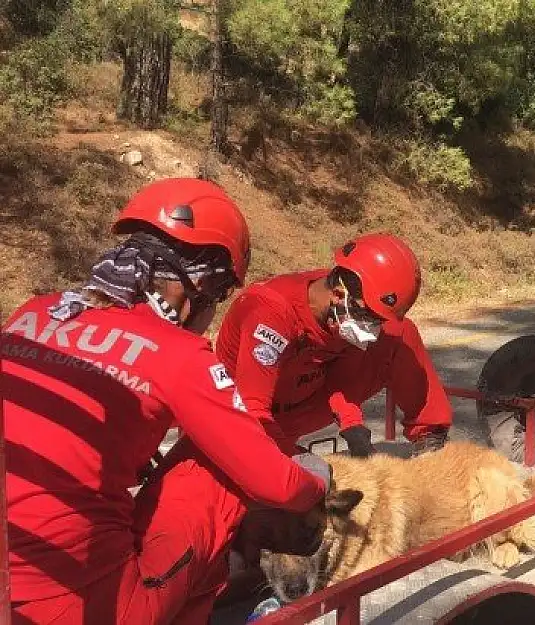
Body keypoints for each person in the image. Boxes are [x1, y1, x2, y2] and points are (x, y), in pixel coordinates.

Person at [3, 178, 329, 624]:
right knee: (215, 463)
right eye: (218, 298)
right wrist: (317, 482)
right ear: (196, 286)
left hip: (11, 584)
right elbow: (279, 485)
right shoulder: (179, 354)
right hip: (78, 603)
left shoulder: (35, 312)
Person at [214, 233, 452, 458]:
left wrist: (351, 422)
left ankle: (430, 440)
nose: (371, 329)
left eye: (378, 321)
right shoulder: (269, 313)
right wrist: (292, 469)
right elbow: (252, 409)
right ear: (339, 295)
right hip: (245, 415)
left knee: (400, 334)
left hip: (306, 399)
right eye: (368, 318)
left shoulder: (341, 311)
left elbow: (341, 376)